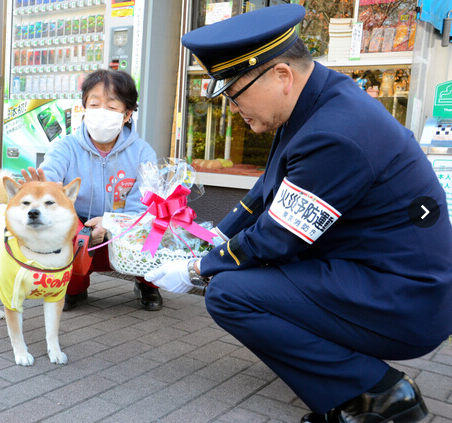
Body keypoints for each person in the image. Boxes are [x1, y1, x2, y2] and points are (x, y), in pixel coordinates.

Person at [145, 4, 452, 423]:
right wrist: (214, 237)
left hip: (403, 298)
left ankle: (381, 396)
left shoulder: (334, 132)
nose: (234, 109)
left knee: (230, 295)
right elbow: (265, 193)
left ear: (282, 76)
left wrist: (200, 266)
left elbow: (278, 237)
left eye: (235, 95)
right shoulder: (316, 105)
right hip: (375, 274)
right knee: (237, 278)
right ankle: (349, 389)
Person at [22, 69, 162, 311]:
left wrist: (112, 224)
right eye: (94, 105)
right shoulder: (65, 147)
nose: (101, 113)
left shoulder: (142, 152)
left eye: (111, 107)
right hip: (81, 229)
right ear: (85, 108)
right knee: (65, 235)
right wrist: (43, 190)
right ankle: (75, 288)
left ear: (127, 114)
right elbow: (49, 178)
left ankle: (147, 283)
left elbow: (143, 203)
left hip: (122, 228)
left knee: (155, 227)